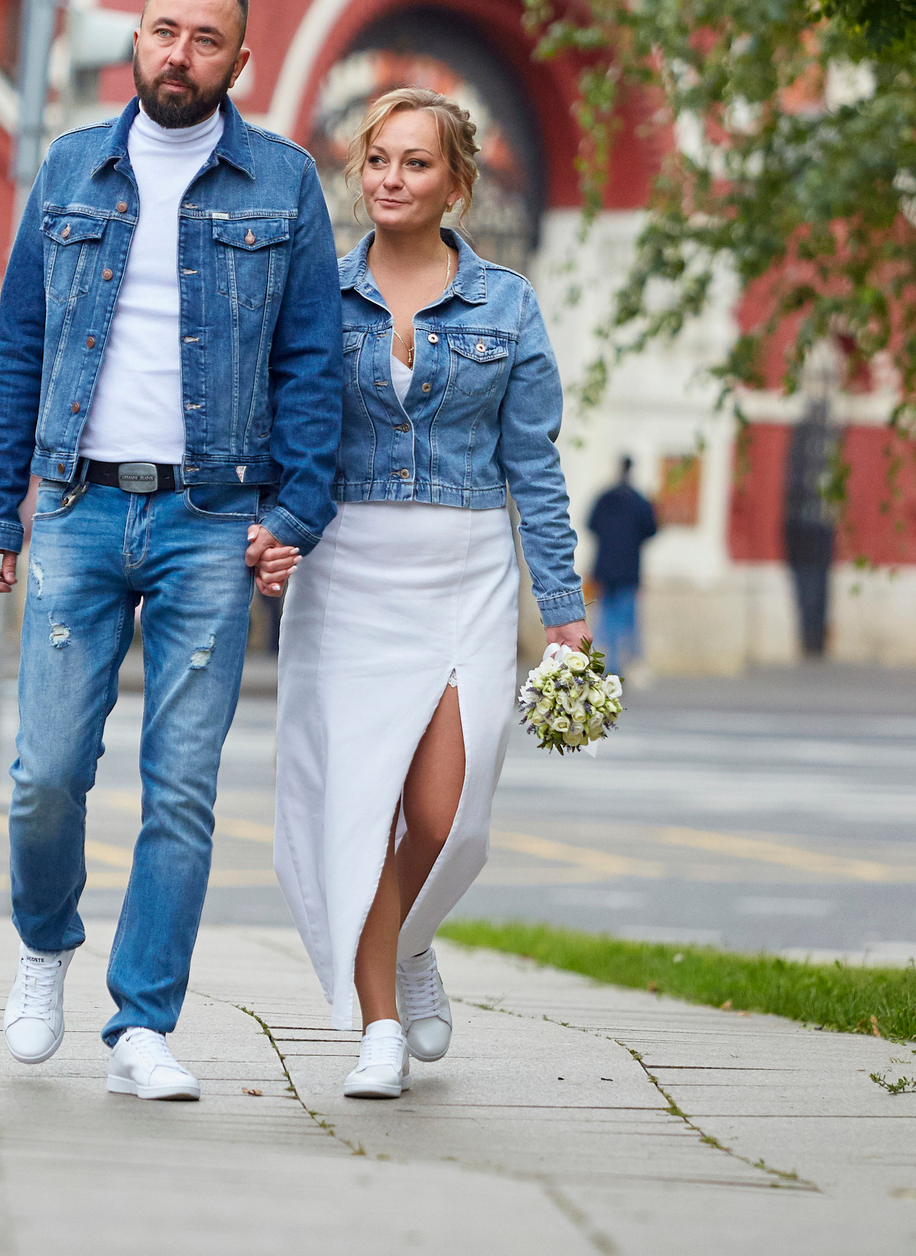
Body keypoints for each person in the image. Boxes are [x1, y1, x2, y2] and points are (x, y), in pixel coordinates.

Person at [0, 0, 341, 1103]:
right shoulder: (72, 164)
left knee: (180, 783)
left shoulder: (283, 182)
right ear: (134, 39)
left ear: (241, 62)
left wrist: (295, 509)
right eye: (164, 30)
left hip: (212, 517)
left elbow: (313, 363)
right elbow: (19, 343)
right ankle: (44, 946)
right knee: (46, 774)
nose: (180, 53)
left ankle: (142, 1022)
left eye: (206, 39)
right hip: (77, 505)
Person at [263, 87, 588, 1101]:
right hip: (348, 567)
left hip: (465, 576)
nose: (389, 180)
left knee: (448, 817)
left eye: (413, 163)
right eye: (375, 160)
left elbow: (532, 464)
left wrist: (565, 609)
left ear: (455, 181)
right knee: (359, 809)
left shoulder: (507, 305)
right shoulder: (315, 293)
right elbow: (281, 429)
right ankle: (378, 1030)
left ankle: (406, 942)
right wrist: (269, 525)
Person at [586, 456, 660, 671]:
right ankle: (616, 667)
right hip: (628, 570)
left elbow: (591, 524)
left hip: (605, 569)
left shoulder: (604, 498)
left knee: (605, 618)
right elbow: (652, 529)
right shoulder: (639, 500)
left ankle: (600, 664)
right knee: (624, 620)